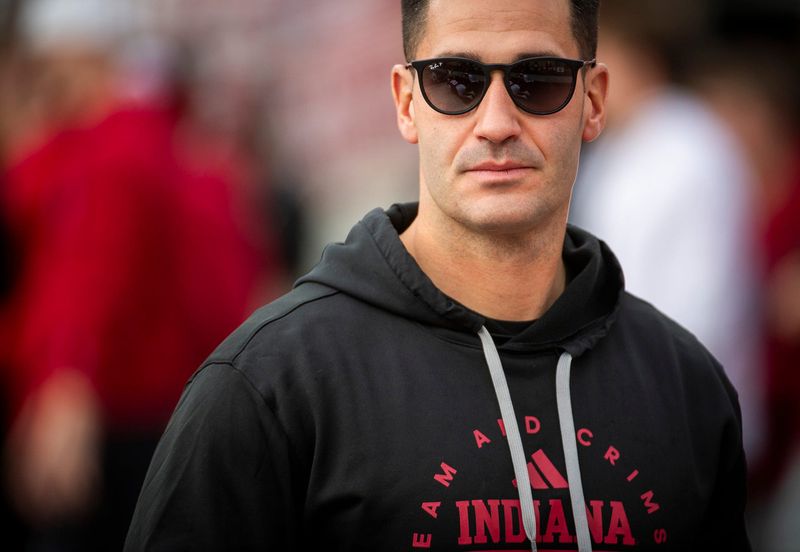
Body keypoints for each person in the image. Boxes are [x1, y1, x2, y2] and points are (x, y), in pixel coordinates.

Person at [125, 0, 750, 549]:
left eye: (539, 81)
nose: (497, 122)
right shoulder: (270, 387)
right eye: (456, 81)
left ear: (592, 101)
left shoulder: (686, 385)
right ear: (405, 103)